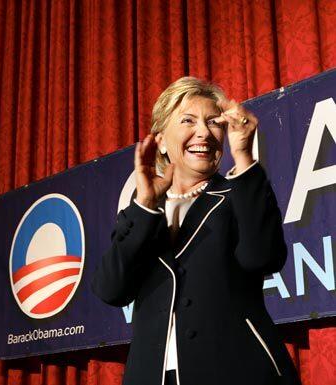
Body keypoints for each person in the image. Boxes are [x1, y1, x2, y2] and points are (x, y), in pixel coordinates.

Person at [92, 77, 300, 385]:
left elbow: (263, 258)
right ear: (160, 140)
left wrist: (244, 157)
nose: (203, 132)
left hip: (237, 371)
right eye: (188, 120)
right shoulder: (140, 212)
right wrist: (146, 205)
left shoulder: (239, 194)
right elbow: (111, 289)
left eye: (213, 122)